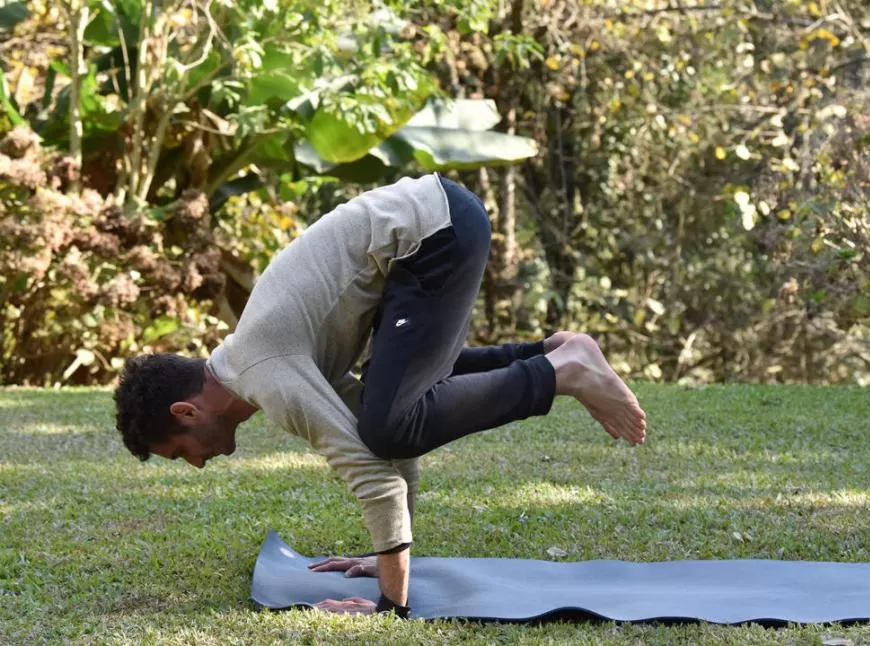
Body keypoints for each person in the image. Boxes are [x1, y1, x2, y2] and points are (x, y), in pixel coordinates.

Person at [113, 173, 647, 618]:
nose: (197, 463)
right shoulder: (263, 361)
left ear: (187, 411)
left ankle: (561, 370)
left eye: (181, 451)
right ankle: (552, 352)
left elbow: (375, 475)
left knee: (390, 423)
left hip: (431, 236)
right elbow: (387, 448)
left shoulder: (265, 372)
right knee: (390, 416)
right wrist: (386, 558)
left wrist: (390, 604)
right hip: (434, 225)